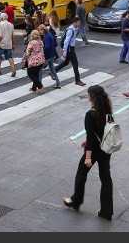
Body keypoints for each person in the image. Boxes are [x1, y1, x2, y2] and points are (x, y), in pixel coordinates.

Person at [63, 85, 114, 221]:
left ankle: (76, 201)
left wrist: (88, 157)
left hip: (95, 149)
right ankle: (107, 210)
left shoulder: (90, 114)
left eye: (88, 94)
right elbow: (104, 129)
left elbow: (91, 137)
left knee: (81, 173)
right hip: (106, 147)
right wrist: (89, 140)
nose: (87, 96)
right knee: (105, 177)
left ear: (92, 96)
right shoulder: (107, 110)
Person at [55, 16, 86, 86]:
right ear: (74, 23)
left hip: (71, 48)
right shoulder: (70, 30)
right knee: (75, 64)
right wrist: (64, 51)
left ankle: (54, 71)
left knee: (66, 62)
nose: (79, 24)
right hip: (70, 49)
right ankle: (77, 80)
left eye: (79, 22)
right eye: (78, 22)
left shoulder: (75, 28)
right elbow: (66, 41)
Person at [22, 30, 46, 94]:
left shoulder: (32, 43)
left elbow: (28, 52)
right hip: (41, 60)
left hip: (34, 60)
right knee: (35, 73)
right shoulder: (40, 42)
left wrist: (24, 58)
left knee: (30, 73)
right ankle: (34, 88)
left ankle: (40, 86)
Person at [38, 24, 61, 89]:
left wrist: (42, 51)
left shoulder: (46, 37)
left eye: (40, 30)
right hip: (52, 55)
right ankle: (58, 83)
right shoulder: (49, 34)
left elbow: (47, 47)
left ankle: (40, 84)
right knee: (52, 69)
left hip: (47, 56)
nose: (39, 32)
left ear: (43, 30)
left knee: (40, 69)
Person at [0, 12, 16, 77]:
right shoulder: (11, 24)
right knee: (9, 57)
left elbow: (0, 36)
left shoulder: (0, 25)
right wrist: (13, 44)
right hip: (9, 43)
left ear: (2, 18)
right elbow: (13, 36)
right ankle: (13, 69)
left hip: (1, 43)